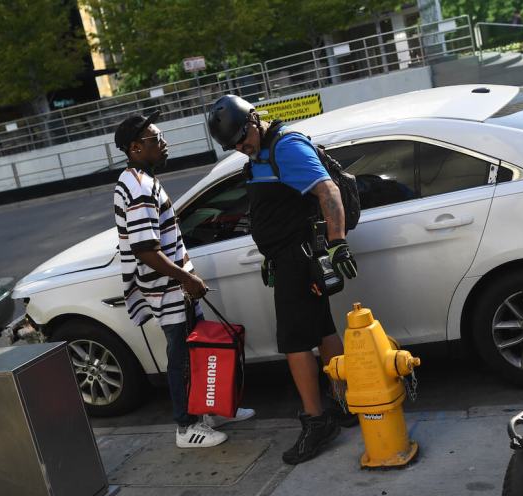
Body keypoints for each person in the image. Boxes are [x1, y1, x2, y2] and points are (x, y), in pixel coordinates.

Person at [206, 95, 358, 465]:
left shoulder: (286, 147)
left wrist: (338, 244)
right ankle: (344, 404)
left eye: (243, 138)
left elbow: (328, 192)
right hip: (287, 258)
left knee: (293, 342)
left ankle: (317, 420)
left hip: (299, 258)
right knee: (323, 331)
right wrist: (269, 254)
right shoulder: (259, 155)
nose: (241, 148)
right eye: (234, 146)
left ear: (254, 120)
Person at [112, 111, 254, 448]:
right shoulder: (138, 187)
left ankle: (209, 409)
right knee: (181, 357)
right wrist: (185, 280)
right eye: (156, 140)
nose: (164, 144)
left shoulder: (143, 180)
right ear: (135, 148)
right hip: (167, 289)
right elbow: (145, 249)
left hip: (175, 286)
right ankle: (185, 426)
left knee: (195, 351)